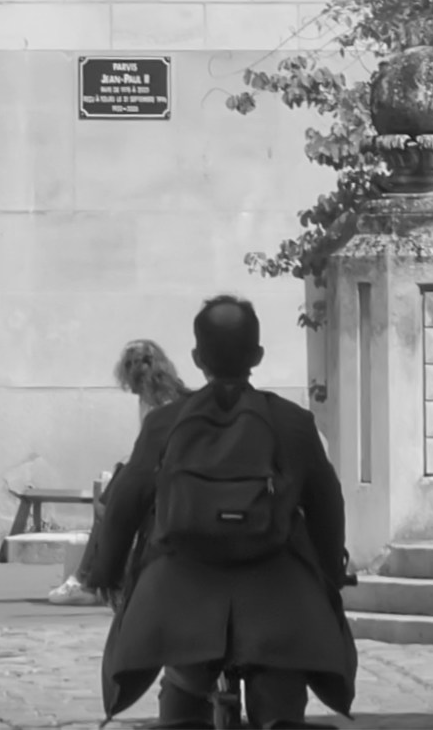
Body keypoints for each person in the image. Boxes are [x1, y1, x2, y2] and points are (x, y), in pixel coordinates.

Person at [79, 291, 355, 729]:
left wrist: (104, 573)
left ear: (196, 356)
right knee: (282, 702)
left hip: (180, 596)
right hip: (277, 597)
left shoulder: (164, 424)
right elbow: (327, 505)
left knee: (183, 694)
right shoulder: (292, 423)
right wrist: (330, 572)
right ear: (258, 354)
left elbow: (125, 504)